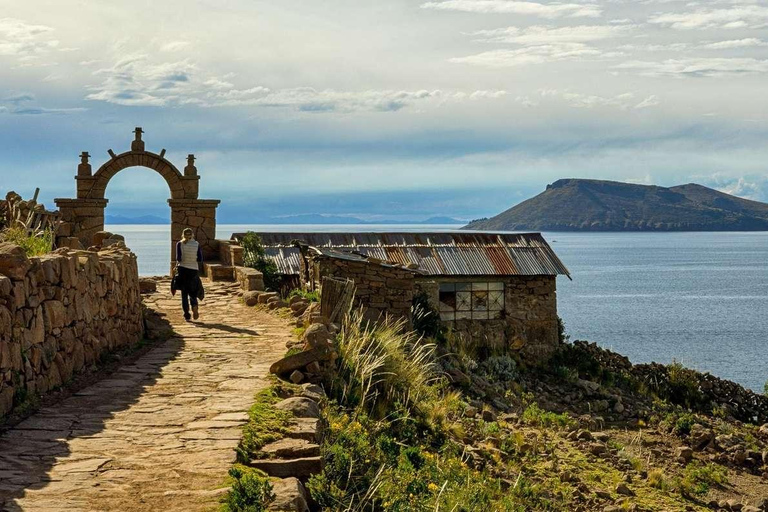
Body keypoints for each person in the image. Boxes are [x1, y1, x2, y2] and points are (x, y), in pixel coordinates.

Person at [175, 228, 203, 321]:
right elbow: (200, 259)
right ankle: (194, 305)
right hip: (193, 270)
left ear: (183, 234)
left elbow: (178, 258)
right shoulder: (196, 244)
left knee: (184, 293)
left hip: (183, 269)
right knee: (193, 291)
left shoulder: (179, 244)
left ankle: (186, 314)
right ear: (192, 235)